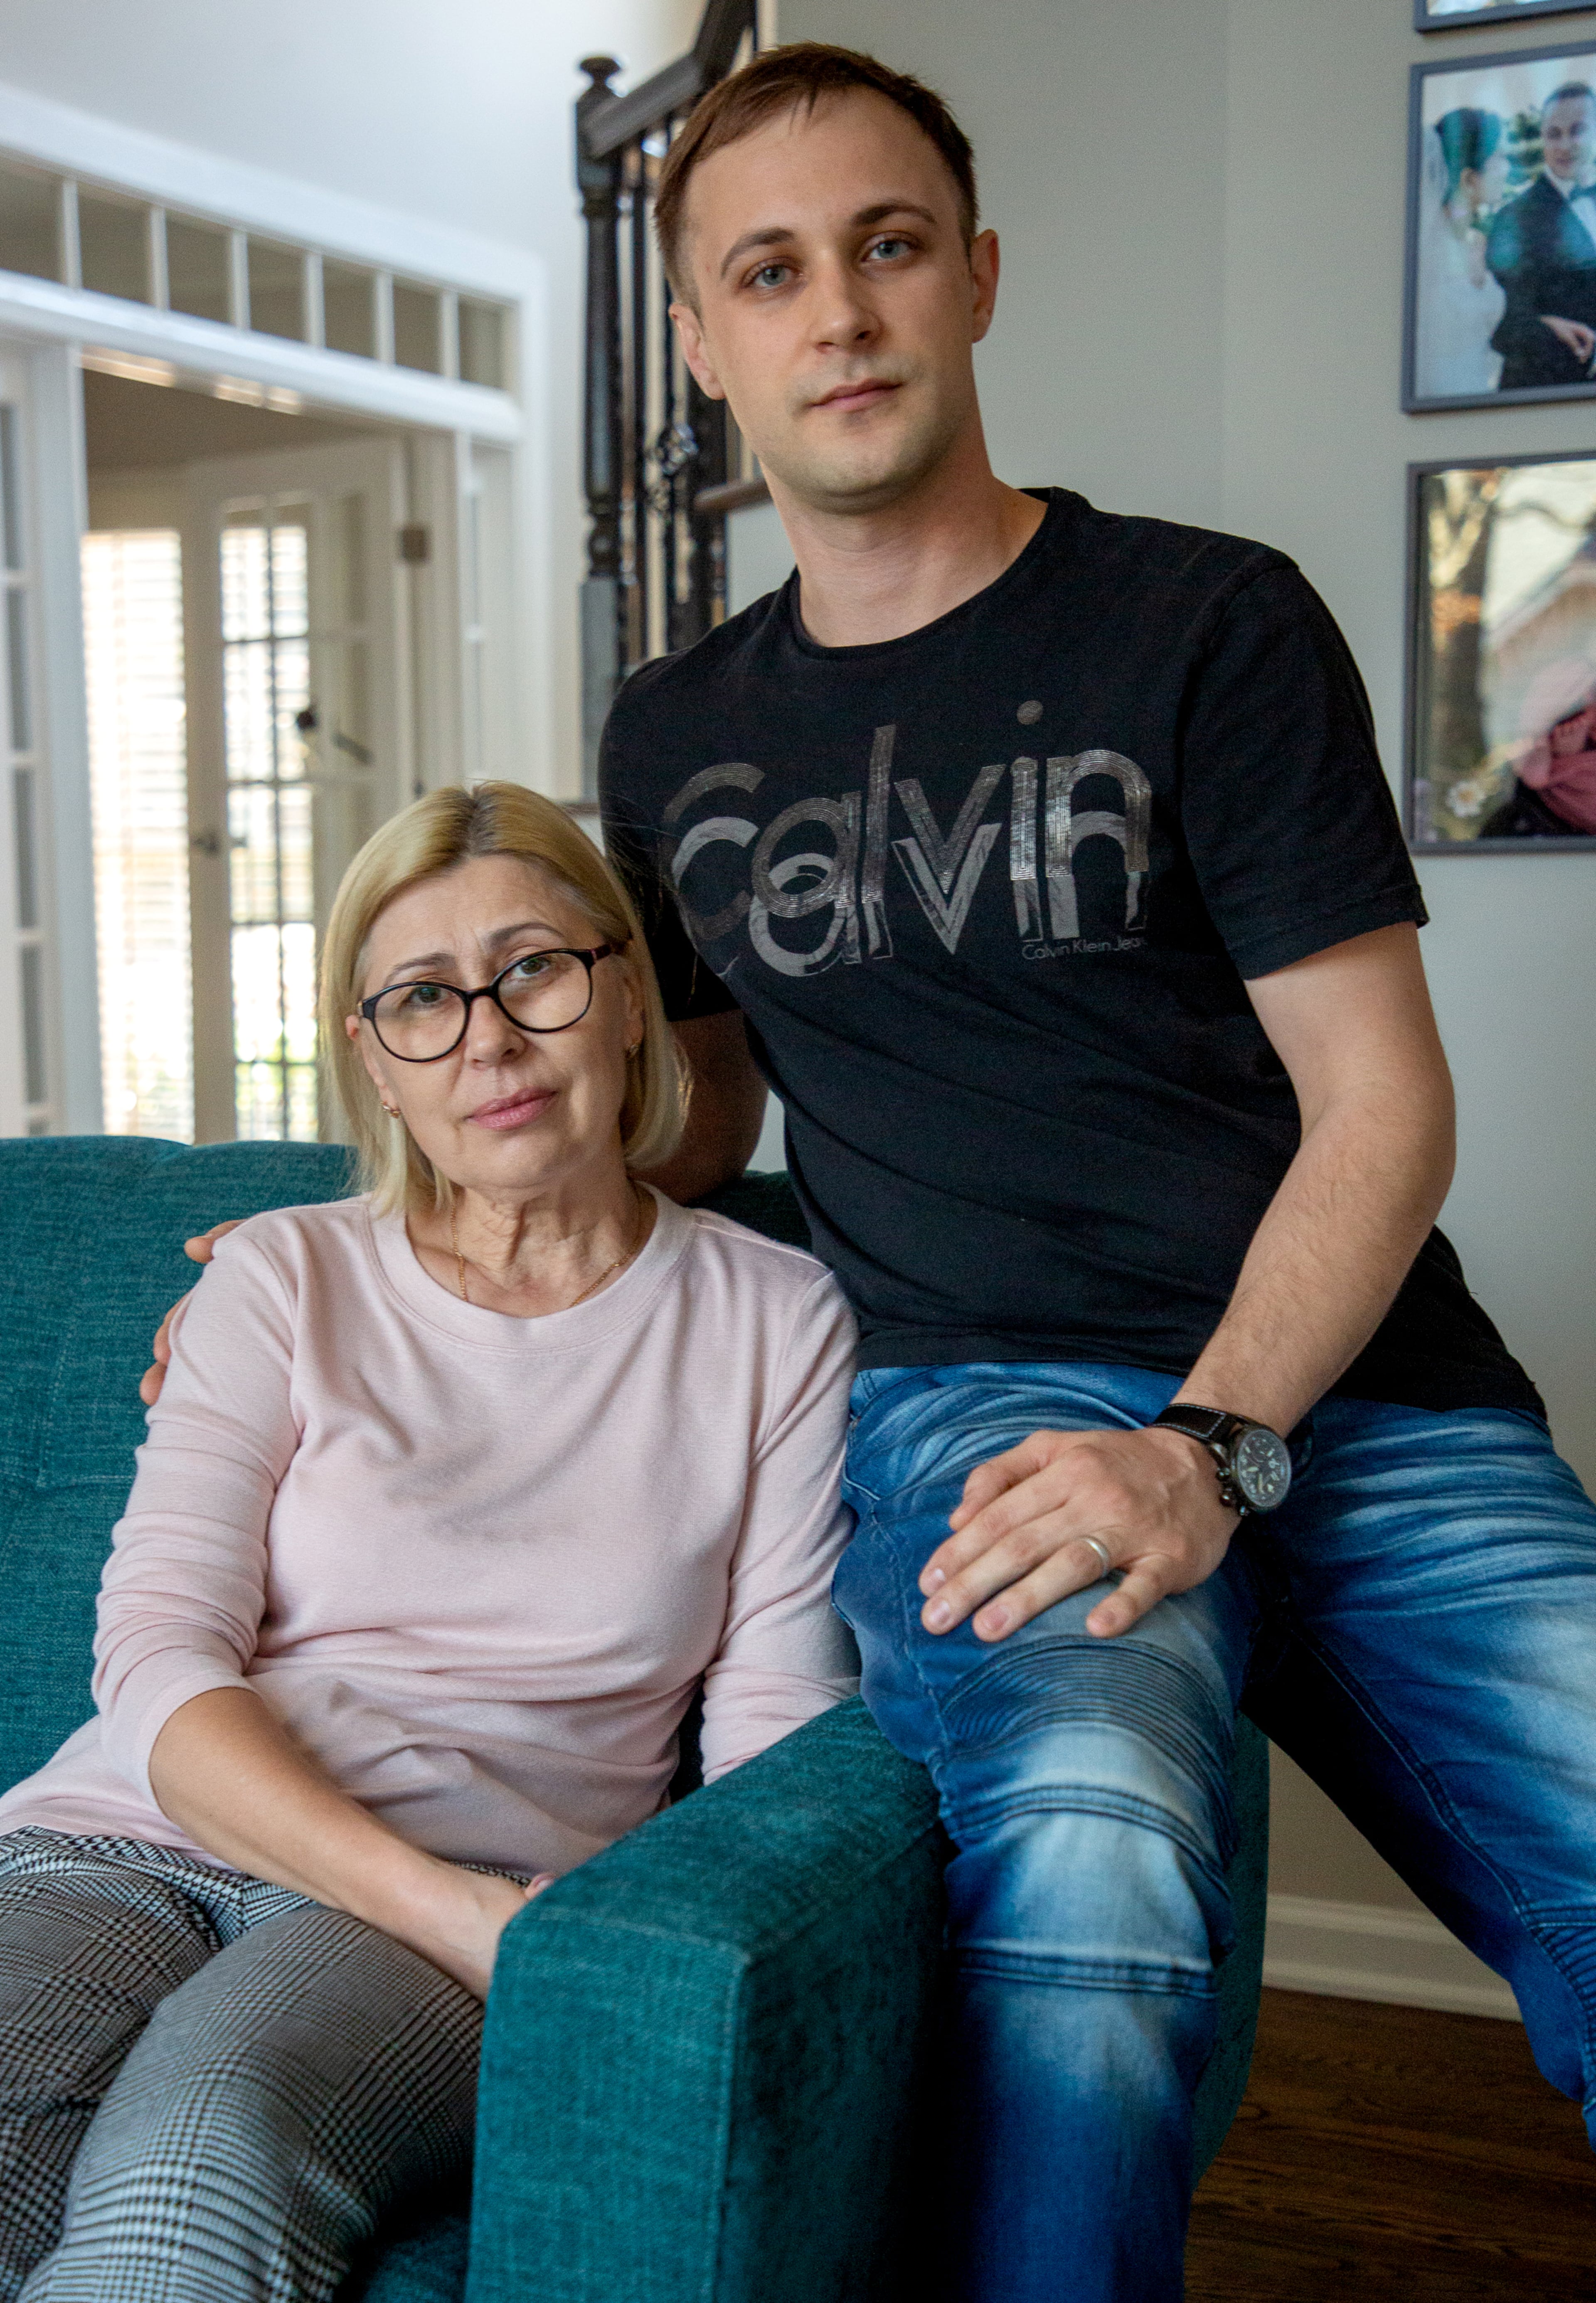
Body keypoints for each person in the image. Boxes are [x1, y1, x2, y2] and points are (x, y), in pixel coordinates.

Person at [584, 43, 1593, 2303]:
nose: (840, 309)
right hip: (988, 1401)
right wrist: (376, 1235)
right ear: (708, 342)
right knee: (1099, 1865)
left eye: (887, 246)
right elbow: (703, 1130)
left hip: (1363, 1392)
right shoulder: (674, 733)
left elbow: (1384, 1102)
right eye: (771, 271)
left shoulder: (1205, 622)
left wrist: (1212, 1442)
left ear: (975, 277)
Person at [1, 782, 856, 2301]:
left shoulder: (777, 1320)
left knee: (200, 2156)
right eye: (421, 997)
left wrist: (616, 1942)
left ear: (628, 1001)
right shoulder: (281, 1274)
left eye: (533, 969)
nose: (488, 1038)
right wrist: (461, 1920)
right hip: (127, 1837)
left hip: (477, 1875)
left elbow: (773, 1743)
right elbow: (154, 1654)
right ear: (374, 1062)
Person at [1487, 80, 1596, 389]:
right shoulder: (1514, 218)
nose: (1565, 145)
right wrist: (1547, 328)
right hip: (1547, 394)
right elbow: (1501, 324)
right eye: (1554, 134)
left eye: (1578, 131)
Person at [1414, 107, 1508, 398]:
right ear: (1470, 180)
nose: (1507, 167)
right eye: (1499, 157)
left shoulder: (1470, 243)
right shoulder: (1433, 253)